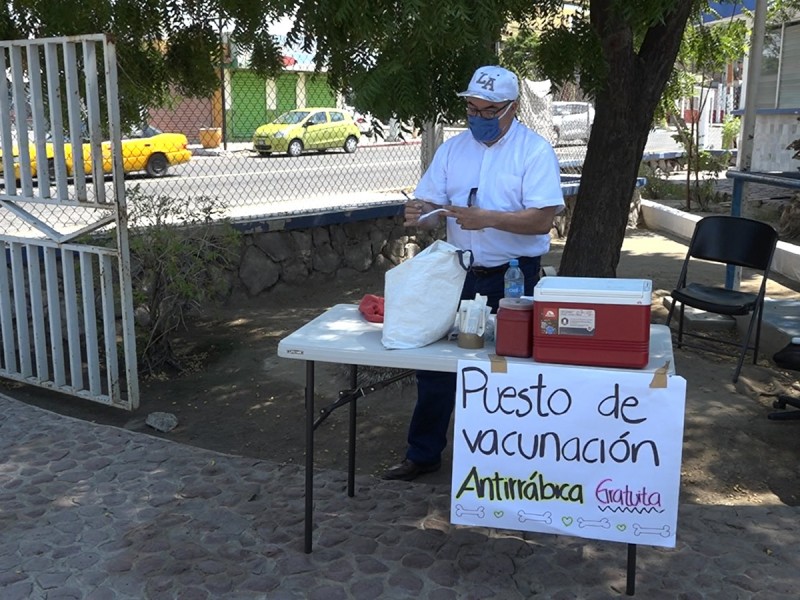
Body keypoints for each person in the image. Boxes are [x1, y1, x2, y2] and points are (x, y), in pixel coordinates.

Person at [383, 65, 565, 481]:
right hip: (458, 273)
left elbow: (541, 220)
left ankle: (503, 464)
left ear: (512, 109)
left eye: (489, 111)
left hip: (514, 277)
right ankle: (423, 453)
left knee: (507, 370)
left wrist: (490, 219)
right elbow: (430, 209)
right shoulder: (452, 150)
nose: (479, 118)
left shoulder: (533, 151)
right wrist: (419, 215)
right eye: (472, 109)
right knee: (435, 365)